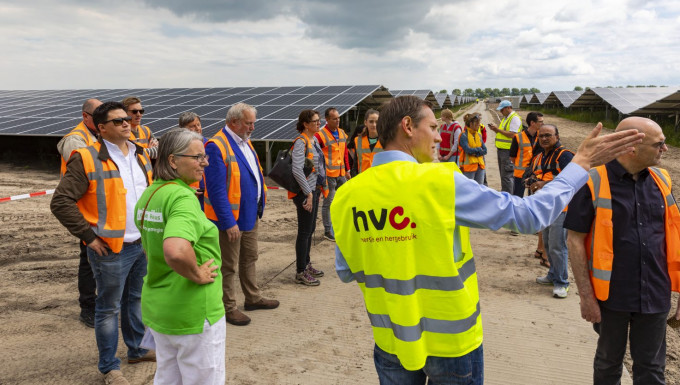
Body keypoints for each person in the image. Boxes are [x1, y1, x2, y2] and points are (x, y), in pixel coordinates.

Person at [330, 95, 643, 384]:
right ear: (407, 126)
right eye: (434, 127)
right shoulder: (438, 181)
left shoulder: (345, 196)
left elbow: (346, 271)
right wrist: (579, 167)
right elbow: (529, 216)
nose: (440, 136)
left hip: (391, 343)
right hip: (452, 345)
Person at [565, 117, 680, 384]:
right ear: (631, 146)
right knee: (608, 363)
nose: (665, 149)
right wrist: (586, 297)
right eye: (659, 144)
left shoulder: (662, 180)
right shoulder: (592, 181)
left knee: (652, 368)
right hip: (610, 297)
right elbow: (574, 241)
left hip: (654, 291)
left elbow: (674, 235)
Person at [51, 101, 155, 385]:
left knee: (134, 300)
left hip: (140, 244)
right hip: (109, 249)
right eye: (119, 120)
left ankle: (137, 349)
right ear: (101, 128)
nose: (127, 122)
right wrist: (89, 237)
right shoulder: (85, 157)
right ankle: (109, 367)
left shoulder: (141, 155)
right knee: (108, 308)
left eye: (128, 119)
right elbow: (61, 202)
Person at [135, 128, 225, 385]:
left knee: (168, 376)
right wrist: (197, 273)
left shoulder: (150, 194)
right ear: (173, 160)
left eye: (204, 156)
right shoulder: (182, 198)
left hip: (160, 307)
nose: (204, 162)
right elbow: (174, 250)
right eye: (197, 157)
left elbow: (149, 245)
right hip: (194, 312)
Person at [203, 102, 279, 326]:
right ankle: (228, 307)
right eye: (248, 123)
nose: (252, 127)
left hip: (249, 214)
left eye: (253, 123)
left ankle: (253, 298)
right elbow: (216, 190)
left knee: (250, 258)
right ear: (234, 122)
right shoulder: (216, 146)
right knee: (228, 265)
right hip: (231, 221)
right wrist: (228, 222)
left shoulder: (245, 142)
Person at [55, 98, 102, 328]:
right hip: (85, 211)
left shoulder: (96, 135)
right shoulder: (75, 139)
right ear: (85, 117)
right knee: (88, 262)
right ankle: (88, 308)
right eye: (98, 115)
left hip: (100, 209)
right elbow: (88, 168)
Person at [527, 124, 574, 298]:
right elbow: (536, 174)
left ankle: (562, 282)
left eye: (548, 135)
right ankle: (553, 275)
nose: (544, 139)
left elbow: (571, 180)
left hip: (561, 207)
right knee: (547, 243)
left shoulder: (565, 156)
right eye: (541, 136)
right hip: (544, 206)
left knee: (557, 246)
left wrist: (544, 184)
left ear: (557, 136)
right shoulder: (539, 156)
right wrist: (531, 180)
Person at [290, 109, 328, 286]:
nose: (318, 124)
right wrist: (309, 193)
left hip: (314, 190)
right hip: (306, 192)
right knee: (305, 232)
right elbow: (297, 169)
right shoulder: (301, 142)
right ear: (305, 124)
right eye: (315, 121)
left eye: (319, 121)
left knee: (310, 229)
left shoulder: (314, 140)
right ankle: (300, 271)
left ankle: (306, 263)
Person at [315, 107, 350, 241]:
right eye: (334, 119)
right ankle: (328, 230)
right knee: (328, 203)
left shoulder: (341, 133)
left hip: (341, 173)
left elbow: (345, 152)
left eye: (338, 118)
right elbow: (316, 155)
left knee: (345, 200)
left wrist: (347, 170)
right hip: (329, 175)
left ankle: (341, 226)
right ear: (327, 119)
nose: (337, 121)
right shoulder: (320, 135)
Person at [488, 100, 522, 194]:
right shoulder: (506, 118)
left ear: (508, 108)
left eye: (502, 110)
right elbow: (502, 133)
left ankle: (509, 197)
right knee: (504, 176)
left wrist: (497, 129)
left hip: (508, 151)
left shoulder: (514, 118)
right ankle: (505, 194)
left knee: (507, 176)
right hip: (502, 150)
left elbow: (512, 134)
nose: (501, 112)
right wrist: (495, 129)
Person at [510, 112, 543, 197]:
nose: (542, 124)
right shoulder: (518, 137)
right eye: (540, 121)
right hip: (520, 174)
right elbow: (512, 157)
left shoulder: (542, 136)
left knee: (534, 198)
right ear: (532, 123)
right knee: (517, 197)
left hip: (535, 174)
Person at [458, 113, 487, 184]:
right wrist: (479, 150)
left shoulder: (479, 135)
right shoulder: (463, 135)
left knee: (480, 188)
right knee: (468, 189)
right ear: (471, 124)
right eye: (477, 123)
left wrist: (476, 152)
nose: (478, 125)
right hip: (468, 168)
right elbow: (467, 150)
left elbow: (485, 150)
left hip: (480, 166)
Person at [352, 109, 382, 174]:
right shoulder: (358, 141)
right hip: (363, 181)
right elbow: (355, 166)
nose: (374, 125)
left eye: (376, 122)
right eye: (371, 122)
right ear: (366, 123)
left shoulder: (386, 141)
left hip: (380, 181)